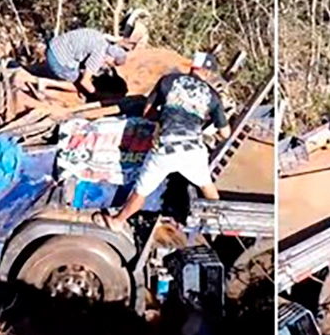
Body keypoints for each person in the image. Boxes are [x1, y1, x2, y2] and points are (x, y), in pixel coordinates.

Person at [98, 52, 231, 232]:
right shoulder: (213, 95)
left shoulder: (168, 81)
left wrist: (165, 118)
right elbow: (225, 133)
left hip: (166, 148)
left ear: (192, 67)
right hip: (193, 149)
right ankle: (219, 223)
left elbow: (148, 112)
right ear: (207, 73)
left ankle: (118, 221)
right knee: (206, 185)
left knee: (141, 191)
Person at [45, 28, 129, 95]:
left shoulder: (101, 38)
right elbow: (84, 82)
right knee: (78, 86)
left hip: (55, 45)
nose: (110, 65)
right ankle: (47, 83)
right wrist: (96, 94)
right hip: (59, 58)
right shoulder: (99, 54)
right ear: (111, 57)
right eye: (113, 64)